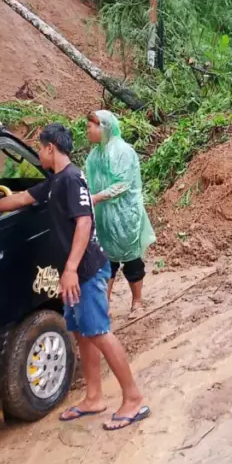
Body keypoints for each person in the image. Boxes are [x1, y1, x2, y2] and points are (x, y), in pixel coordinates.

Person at [0, 124, 148, 429]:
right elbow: (22, 198)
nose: (39, 154)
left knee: (100, 332)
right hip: (75, 272)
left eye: (40, 148)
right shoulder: (55, 182)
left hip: (86, 271)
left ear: (51, 147)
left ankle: (133, 399)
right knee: (82, 332)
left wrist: (69, 270)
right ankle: (94, 397)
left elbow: (83, 223)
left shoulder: (71, 179)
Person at [85, 110, 156, 314]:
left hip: (124, 215)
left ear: (103, 127)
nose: (87, 131)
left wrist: (95, 198)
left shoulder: (122, 151)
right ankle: (103, 307)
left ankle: (137, 302)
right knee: (105, 262)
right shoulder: (95, 154)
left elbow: (122, 184)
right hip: (103, 216)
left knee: (131, 260)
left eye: (90, 126)